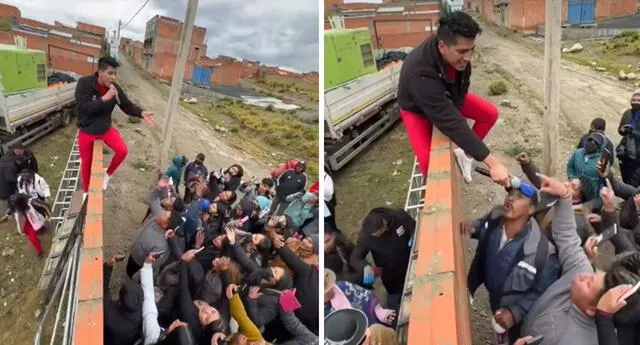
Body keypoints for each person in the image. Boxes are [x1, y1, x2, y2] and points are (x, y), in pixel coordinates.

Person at [397, 11, 509, 185]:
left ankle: (465, 154)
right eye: (462, 51)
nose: (468, 57)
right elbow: (450, 121)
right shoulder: (420, 74)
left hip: (444, 95)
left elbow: (461, 90)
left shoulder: (459, 57)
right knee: (429, 164)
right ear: (442, 47)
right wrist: (493, 163)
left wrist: (454, 114)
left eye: (472, 50)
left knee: (489, 114)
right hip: (416, 108)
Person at [520, 176, 633, 345]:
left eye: (588, 284)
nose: (583, 275)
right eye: (594, 275)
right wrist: (564, 196)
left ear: (593, 309)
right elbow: (568, 238)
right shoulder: (583, 272)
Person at [464, 179, 559, 340]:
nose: (511, 198)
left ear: (531, 209)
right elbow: (482, 225)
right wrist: (473, 226)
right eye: (510, 194)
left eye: (520, 196)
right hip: (495, 300)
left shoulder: (542, 253)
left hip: (519, 318)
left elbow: (541, 292)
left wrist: (516, 313)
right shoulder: (495, 217)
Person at [74, 56, 156, 199]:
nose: (113, 77)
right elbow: (83, 108)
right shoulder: (84, 83)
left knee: (122, 151)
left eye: (115, 74)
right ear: (100, 71)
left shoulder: (114, 88)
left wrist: (142, 113)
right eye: (110, 73)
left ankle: (107, 175)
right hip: (87, 130)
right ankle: (86, 191)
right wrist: (104, 98)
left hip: (105, 129)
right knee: (86, 163)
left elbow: (126, 105)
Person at [349, 207, 415, 311]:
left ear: (384, 224)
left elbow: (413, 226)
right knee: (396, 295)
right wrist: (365, 266)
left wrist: (413, 235)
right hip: (390, 273)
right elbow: (355, 258)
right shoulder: (366, 236)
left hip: (409, 263)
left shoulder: (399, 216)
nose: (377, 237)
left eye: (378, 234)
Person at [617, 90, 640, 185]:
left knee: (635, 181)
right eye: (633, 100)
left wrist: (633, 132)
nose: (635, 102)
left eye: (638, 100)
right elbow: (620, 130)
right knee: (625, 179)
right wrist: (622, 130)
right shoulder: (627, 113)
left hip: (638, 155)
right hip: (625, 151)